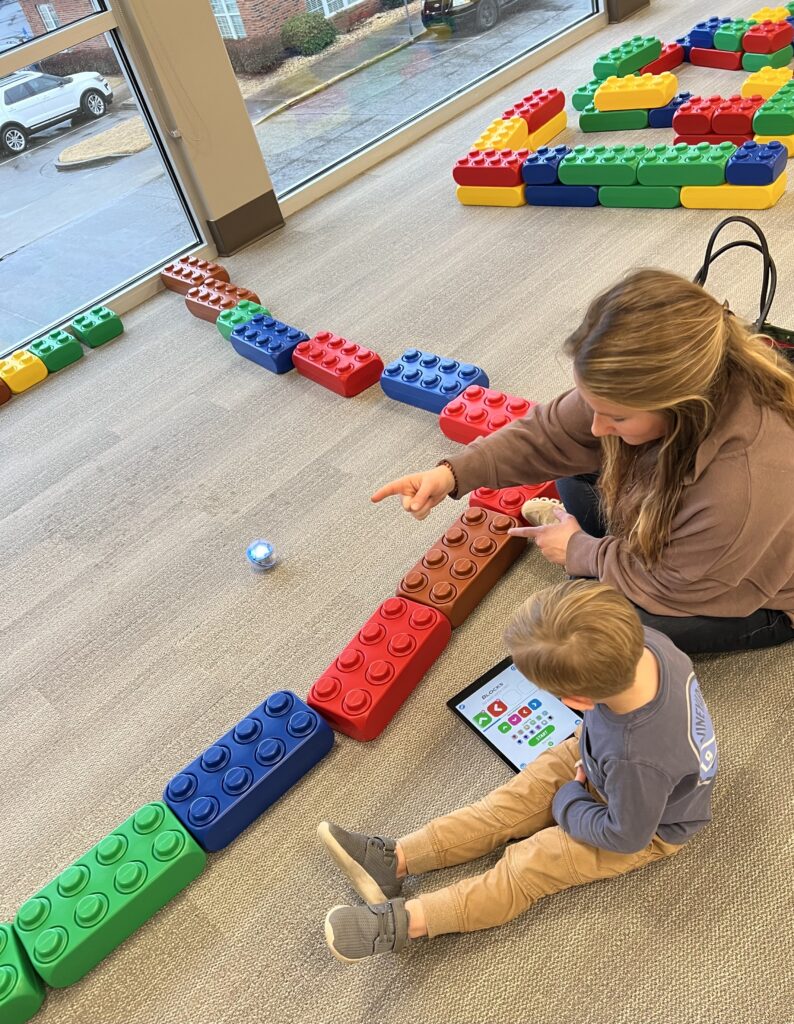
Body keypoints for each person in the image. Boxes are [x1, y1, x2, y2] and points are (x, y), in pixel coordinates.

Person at [371, 269, 794, 655]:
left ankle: (606, 560)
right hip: (697, 537)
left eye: (617, 416)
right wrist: (452, 474)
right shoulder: (674, 386)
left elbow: (679, 588)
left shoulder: (742, 483)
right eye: (592, 405)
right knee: (573, 471)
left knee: (586, 624)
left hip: (752, 592)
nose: (595, 427)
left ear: (681, 405)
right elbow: (549, 434)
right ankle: (613, 554)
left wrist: (582, 551)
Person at [318, 580, 717, 963]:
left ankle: (408, 923)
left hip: (646, 827)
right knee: (507, 804)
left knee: (528, 863)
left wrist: (569, 803)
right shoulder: (647, 642)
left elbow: (626, 835)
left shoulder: (638, 757)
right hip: (597, 754)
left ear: (578, 699)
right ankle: (396, 860)